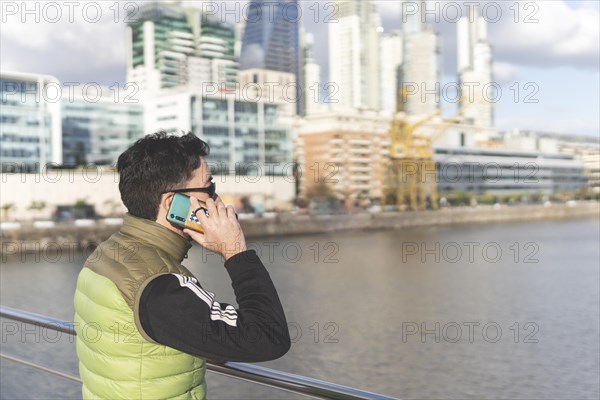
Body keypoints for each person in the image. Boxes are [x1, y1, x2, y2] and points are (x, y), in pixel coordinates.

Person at [73, 131, 291, 400]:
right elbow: (268, 336)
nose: (216, 200)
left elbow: (166, 329)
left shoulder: (106, 253)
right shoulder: (159, 284)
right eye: (208, 188)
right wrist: (234, 251)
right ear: (171, 203)